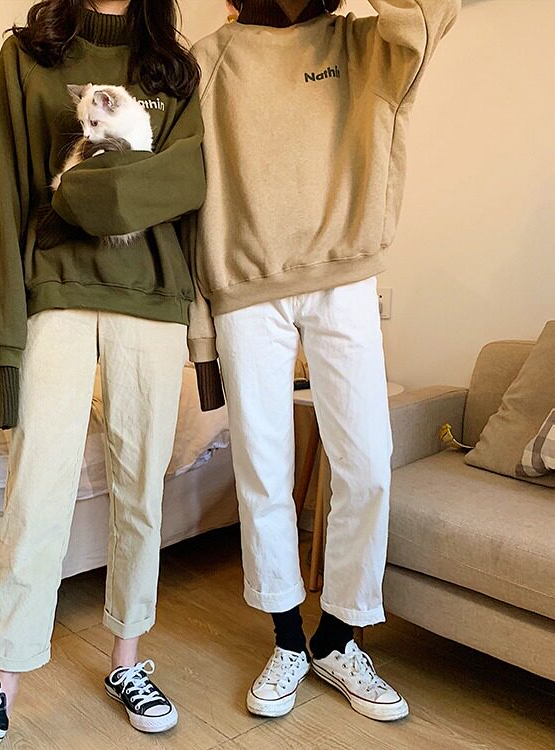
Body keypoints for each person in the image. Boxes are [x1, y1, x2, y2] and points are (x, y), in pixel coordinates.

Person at [0, 0, 204, 743]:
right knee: (35, 487)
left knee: (141, 488)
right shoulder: (27, 58)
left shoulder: (174, 68)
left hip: (153, 299)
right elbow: (5, 200)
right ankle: (1, 683)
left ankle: (127, 661)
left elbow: (195, 186)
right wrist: (4, 345)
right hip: (55, 292)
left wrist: (82, 193)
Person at [188, 0, 460, 722]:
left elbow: (432, 14)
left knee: (367, 463)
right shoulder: (211, 59)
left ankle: (338, 638)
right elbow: (187, 202)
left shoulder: (367, 45)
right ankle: (286, 639)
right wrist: (200, 334)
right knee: (263, 471)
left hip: (345, 277)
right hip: (244, 288)